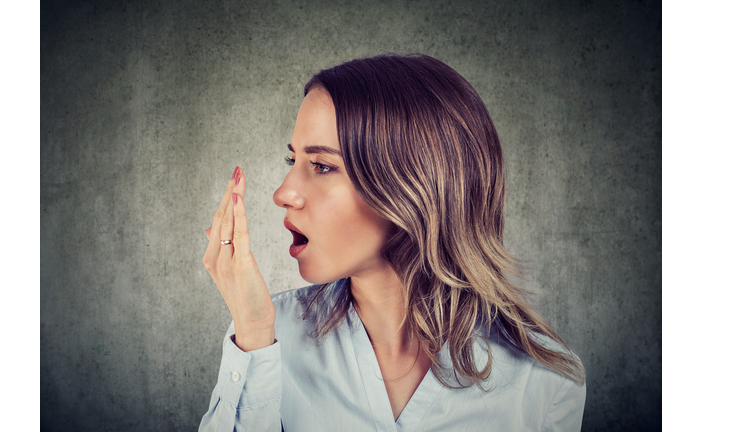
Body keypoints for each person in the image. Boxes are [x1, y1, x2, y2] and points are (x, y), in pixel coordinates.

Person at [198, 54, 586, 432]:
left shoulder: (542, 381)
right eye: (293, 162)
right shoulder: (267, 339)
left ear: (411, 185)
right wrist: (252, 334)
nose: (283, 193)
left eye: (321, 166)